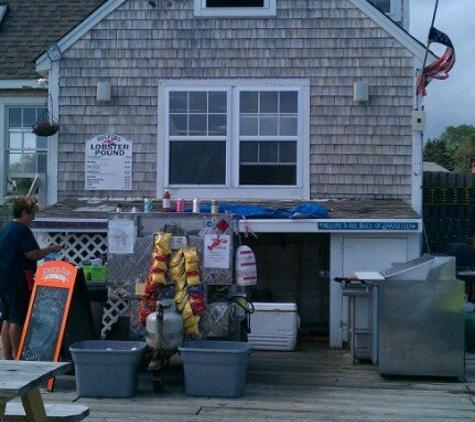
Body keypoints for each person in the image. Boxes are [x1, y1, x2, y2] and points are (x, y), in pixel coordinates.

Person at [0, 196, 62, 360]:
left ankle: (6, 358)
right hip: (18, 278)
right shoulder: (22, 230)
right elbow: (32, 254)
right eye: (31, 214)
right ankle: (18, 356)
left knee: (6, 317)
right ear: (23, 213)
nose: (33, 218)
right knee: (17, 319)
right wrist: (51, 249)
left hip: (4, 278)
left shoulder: (6, 229)